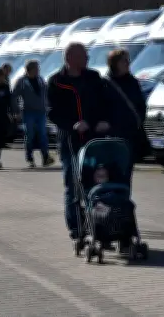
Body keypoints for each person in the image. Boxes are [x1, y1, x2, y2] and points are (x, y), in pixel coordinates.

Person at [47, 42, 111, 241]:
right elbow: (52, 113)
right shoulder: (56, 82)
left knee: (98, 183)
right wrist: (72, 124)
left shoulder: (93, 78)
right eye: (84, 56)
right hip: (70, 142)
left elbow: (103, 103)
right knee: (73, 184)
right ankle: (76, 229)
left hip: (93, 140)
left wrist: (100, 121)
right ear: (70, 59)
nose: (87, 59)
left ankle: (101, 225)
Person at [103, 49, 148, 180]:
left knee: (127, 174)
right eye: (125, 60)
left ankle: (124, 199)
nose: (128, 63)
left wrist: (139, 120)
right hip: (112, 136)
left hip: (130, 135)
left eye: (128, 60)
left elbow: (141, 105)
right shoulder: (105, 83)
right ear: (115, 63)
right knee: (113, 173)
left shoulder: (133, 82)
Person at [12, 59, 55, 168]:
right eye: (36, 68)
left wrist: (50, 106)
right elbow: (14, 97)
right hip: (28, 112)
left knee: (43, 134)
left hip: (41, 112)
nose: (38, 70)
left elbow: (47, 93)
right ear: (29, 69)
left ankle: (45, 157)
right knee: (30, 135)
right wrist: (16, 111)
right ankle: (30, 158)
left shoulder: (40, 80)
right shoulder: (21, 81)